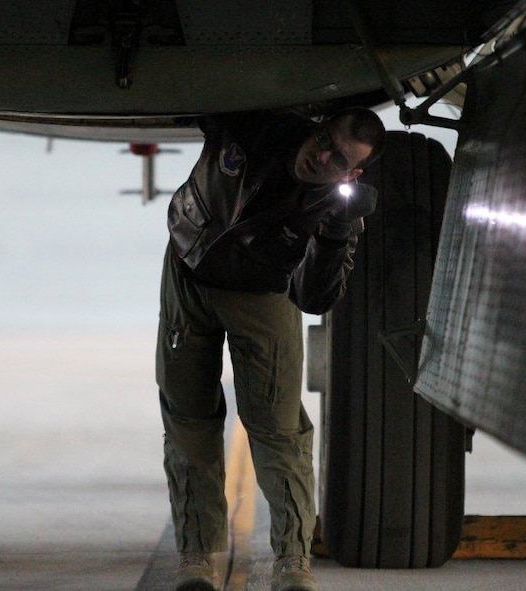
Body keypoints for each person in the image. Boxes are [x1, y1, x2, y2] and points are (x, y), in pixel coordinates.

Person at [157, 107, 386, 591]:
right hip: (187, 269)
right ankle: (196, 556)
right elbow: (203, 97)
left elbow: (315, 298)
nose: (319, 156)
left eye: (337, 160)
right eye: (323, 139)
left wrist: (336, 230)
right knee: (188, 414)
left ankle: (293, 562)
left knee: (277, 428)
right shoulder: (258, 122)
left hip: (261, 295)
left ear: (353, 175)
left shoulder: (333, 210)